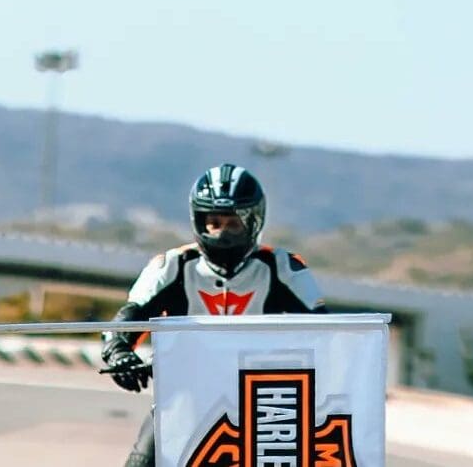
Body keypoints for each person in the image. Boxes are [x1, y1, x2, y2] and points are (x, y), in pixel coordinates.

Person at [100, 163, 327, 467]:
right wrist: (118, 353)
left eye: (233, 223)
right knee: (141, 462)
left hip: (262, 409)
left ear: (254, 221)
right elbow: (126, 319)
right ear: (198, 221)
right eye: (214, 222)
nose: (223, 233)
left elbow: (328, 333)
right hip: (183, 402)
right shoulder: (171, 265)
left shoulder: (284, 267)